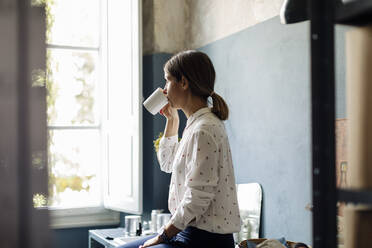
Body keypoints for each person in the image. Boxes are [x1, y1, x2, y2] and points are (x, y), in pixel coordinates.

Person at [120, 50, 240, 248]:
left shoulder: (205, 129)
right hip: (185, 233)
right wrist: (172, 120)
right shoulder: (195, 124)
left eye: (168, 81)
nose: (165, 90)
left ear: (183, 82)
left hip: (203, 240)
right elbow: (167, 163)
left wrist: (163, 235)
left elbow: (197, 197)